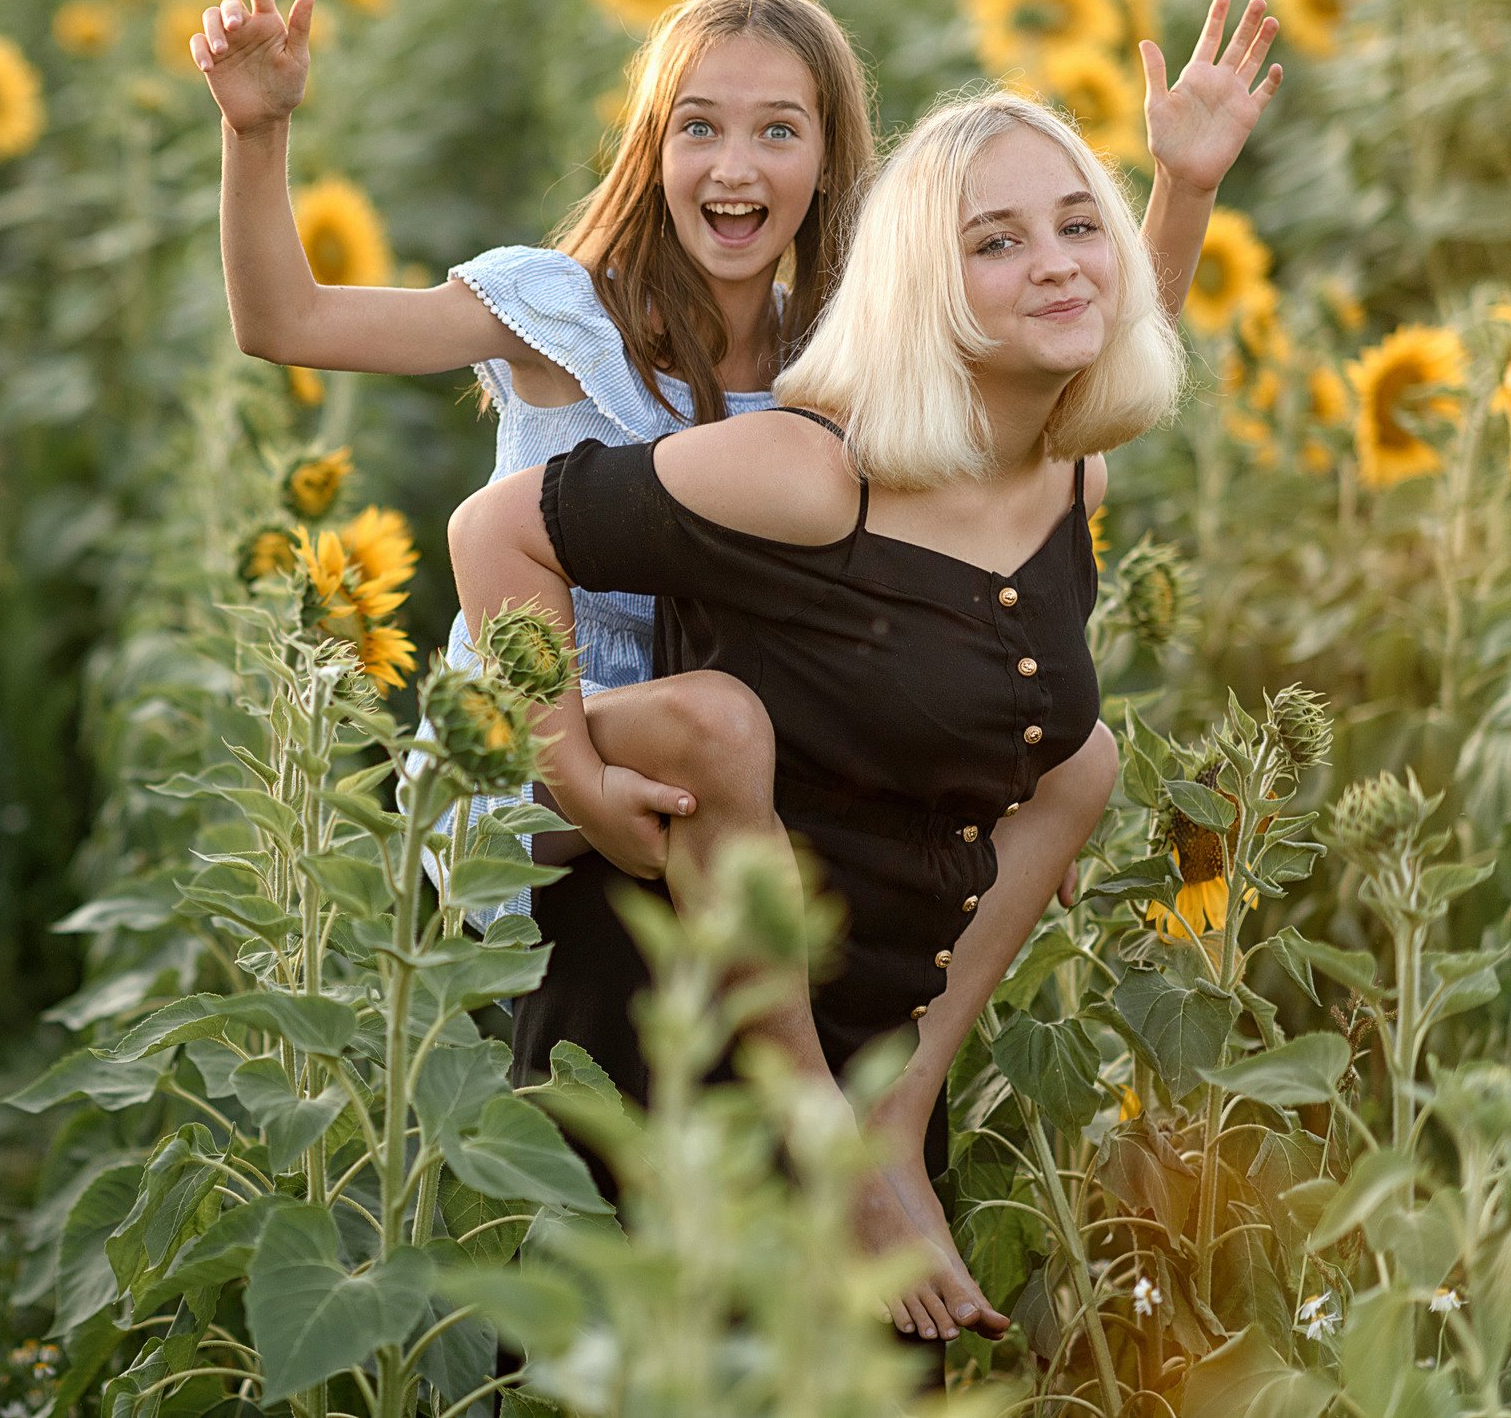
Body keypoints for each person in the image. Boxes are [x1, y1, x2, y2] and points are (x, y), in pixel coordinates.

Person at [190, 0, 1278, 898]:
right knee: (724, 722)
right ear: (654, 148)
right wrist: (257, 131)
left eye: (777, 131)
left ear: (826, 158)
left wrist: (1183, 186)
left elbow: (1075, 371)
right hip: (533, 750)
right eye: (698, 126)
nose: (734, 166)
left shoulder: (845, 351)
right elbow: (287, 322)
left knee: (1027, 747)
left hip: (743, 755)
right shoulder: (565, 313)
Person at [449, 92, 1192, 1351]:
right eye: (994, 240)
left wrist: (1186, 181)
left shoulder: (1068, 472)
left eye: (1080, 224)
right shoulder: (813, 474)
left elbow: (1039, 731)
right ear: (923, 282)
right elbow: (495, 526)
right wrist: (568, 764)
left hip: (872, 1017)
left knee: (1087, 755)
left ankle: (884, 1123)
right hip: (682, 1016)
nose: (1056, 261)